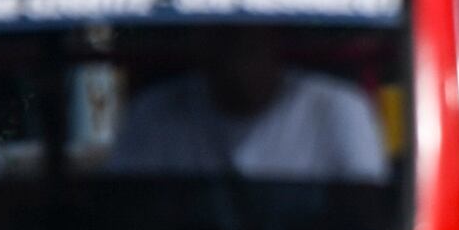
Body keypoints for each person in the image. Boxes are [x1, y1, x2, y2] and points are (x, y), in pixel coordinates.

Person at [110, 32, 389, 183]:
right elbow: (129, 217)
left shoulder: (337, 110)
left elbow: (365, 212)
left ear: (272, 45)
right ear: (202, 49)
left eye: (247, 46)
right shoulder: (154, 114)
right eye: (222, 43)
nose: (235, 65)